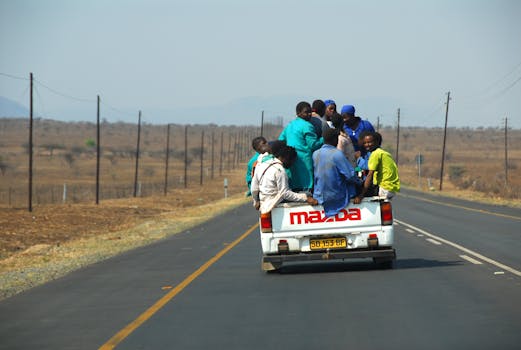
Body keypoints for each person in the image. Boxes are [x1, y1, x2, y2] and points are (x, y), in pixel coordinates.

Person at [251, 143, 318, 214]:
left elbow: (254, 188)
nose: (291, 164)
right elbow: (285, 193)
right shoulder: (280, 170)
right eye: (291, 161)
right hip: (274, 201)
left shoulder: (261, 165)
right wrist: (306, 198)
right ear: (285, 158)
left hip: (264, 202)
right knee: (308, 194)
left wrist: (256, 202)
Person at [313, 128, 360, 217]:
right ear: (336, 139)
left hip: (319, 196)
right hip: (336, 196)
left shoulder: (315, 154)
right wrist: (360, 182)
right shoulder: (337, 154)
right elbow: (350, 175)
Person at [278, 101, 323, 192]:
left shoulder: (290, 125)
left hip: (290, 161)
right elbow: (313, 145)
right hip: (304, 162)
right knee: (306, 189)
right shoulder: (307, 126)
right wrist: (324, 139)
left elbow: (281, 141)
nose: (309, 114)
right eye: (306, 112)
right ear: (298, 113)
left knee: (293, 188)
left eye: (310, 112)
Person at [353, 132, 400, 204]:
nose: (366, 145)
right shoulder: (382, 152)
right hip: (390, 187)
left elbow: (368, 171)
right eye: (364, 143)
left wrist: (361, 195)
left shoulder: (374, 154)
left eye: (369, 142)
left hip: (384, 186)